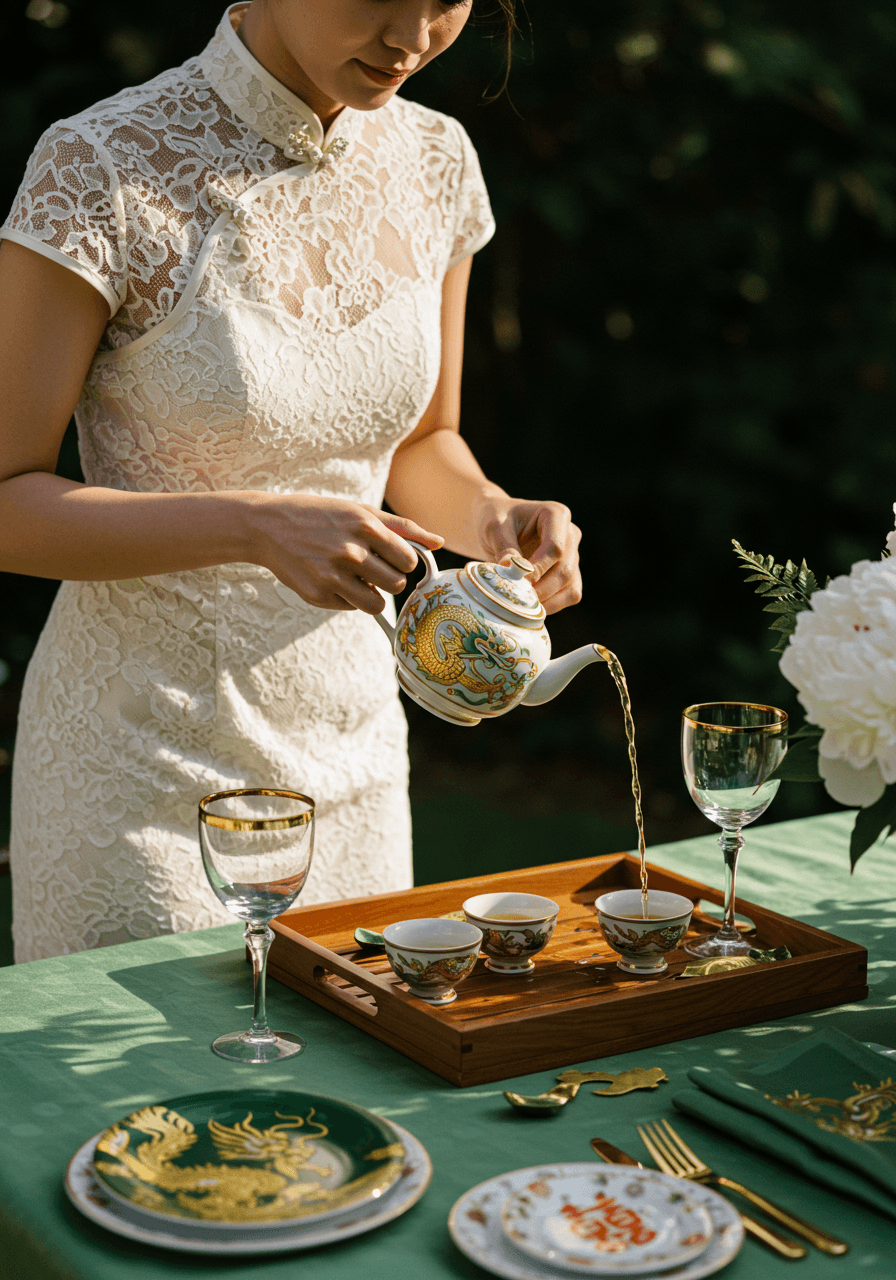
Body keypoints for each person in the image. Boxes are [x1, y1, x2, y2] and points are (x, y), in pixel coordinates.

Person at [0, 0, 582, 963]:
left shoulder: (437, 158)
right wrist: (253, 525)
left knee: (356, 1100)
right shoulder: (100, 163)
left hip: (353, 756)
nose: (414, 34)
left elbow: (422, 440)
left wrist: (495, 518)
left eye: (447, 0)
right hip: (140, 773)